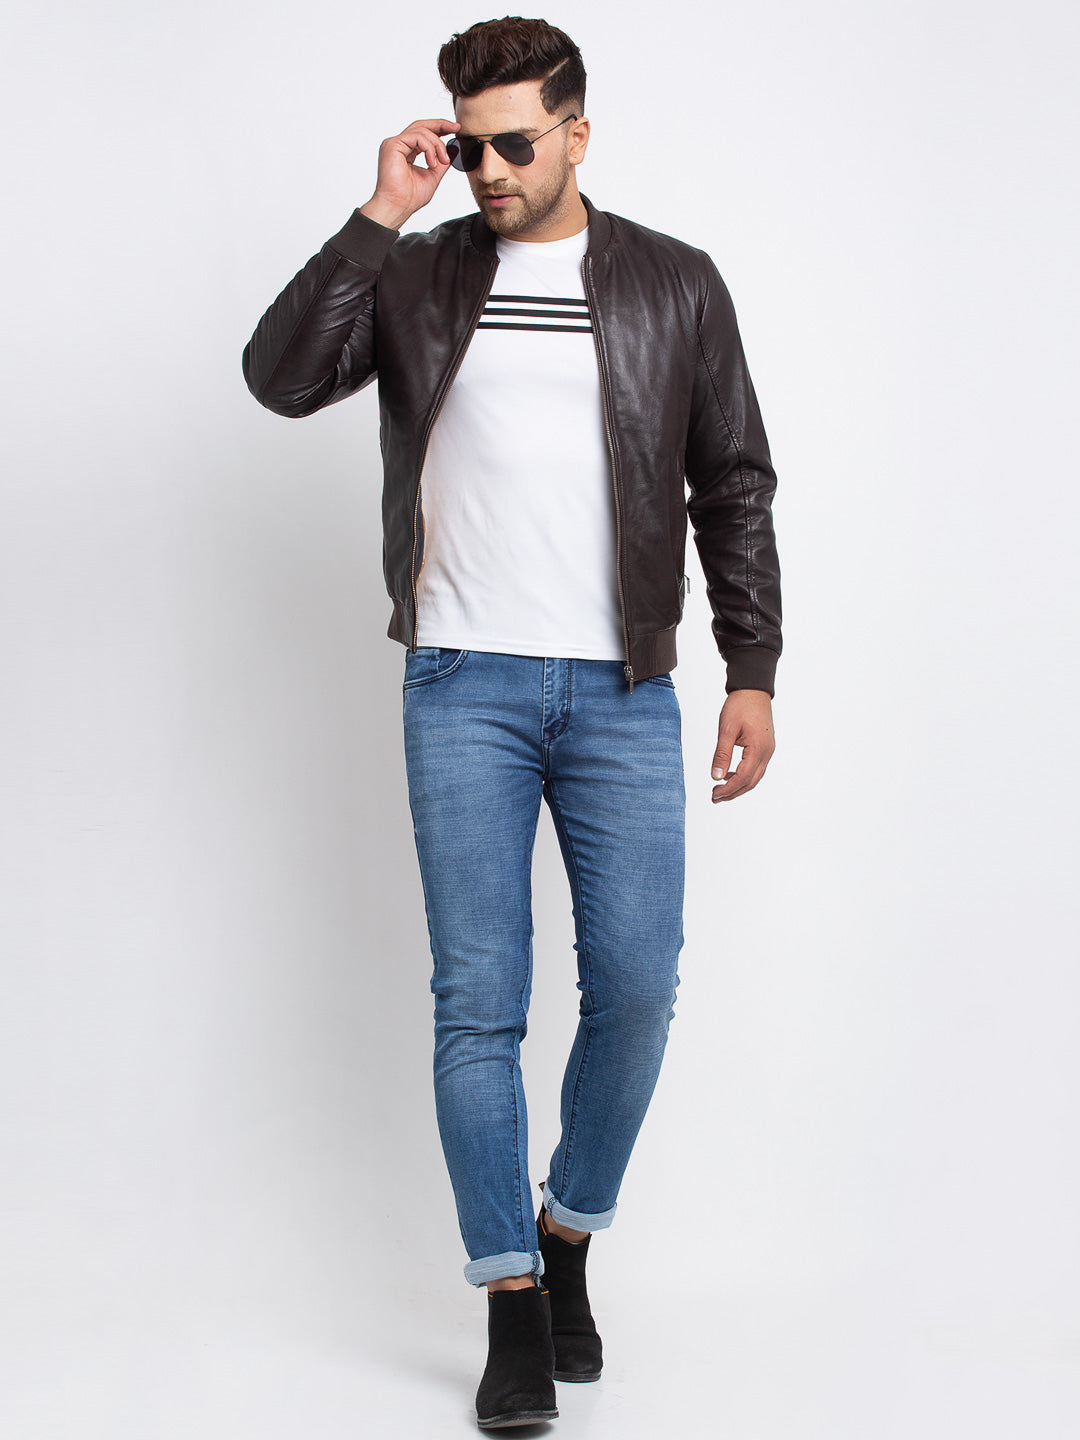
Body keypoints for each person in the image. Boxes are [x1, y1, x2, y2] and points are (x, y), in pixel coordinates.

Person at [242, 15, 782, 1430]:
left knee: (640, 987)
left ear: (577, 135)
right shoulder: (419, 276)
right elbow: (280, 379)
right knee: (478, 1005)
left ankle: (567, 1232)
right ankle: (510, 1302)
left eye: (514, 144)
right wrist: (381, 212)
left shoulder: (674, 282)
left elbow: (731, 478)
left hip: (622, 688)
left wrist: (753, 664)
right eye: (467, 144)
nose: (487, 169)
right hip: (463, 684)